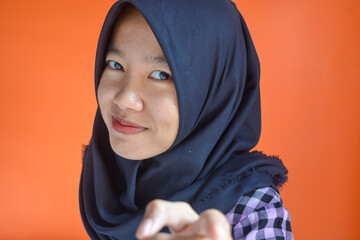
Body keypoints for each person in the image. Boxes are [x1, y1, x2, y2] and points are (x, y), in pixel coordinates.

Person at [79, 0, 293, 239]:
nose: (124, 99)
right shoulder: (107, 179)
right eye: (115, 65)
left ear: (213, 91)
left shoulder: (253, 210)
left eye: (161, 75)